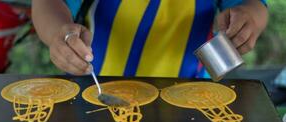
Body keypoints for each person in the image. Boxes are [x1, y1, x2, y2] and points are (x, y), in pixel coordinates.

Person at [32, 0, 268, 77]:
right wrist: (58, 34)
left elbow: (253, 5)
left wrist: (249, 19)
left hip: (190, 98)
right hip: (94, 89)